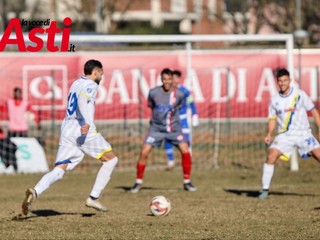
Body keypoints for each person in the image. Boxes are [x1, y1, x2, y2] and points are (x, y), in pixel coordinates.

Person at [22, 59, 118, 215]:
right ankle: (93, 197)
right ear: (95, 72)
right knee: (111, 160)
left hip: (67, 129)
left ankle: (35, 190)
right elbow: (81, 100)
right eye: (101, 72)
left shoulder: (76, 83)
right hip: (82, 130)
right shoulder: (91, 85)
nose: (102, 75)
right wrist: (86, 122)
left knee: (59, 170)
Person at [130, 68, 197, 193]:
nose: (167, 82)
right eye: (164, 79)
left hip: (174, 129)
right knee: (144, 152)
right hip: (156, 129)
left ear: (173, 80)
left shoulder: (180, 94)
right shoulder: (153, 93)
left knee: (186, 151)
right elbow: (151, 105)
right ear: (161, 79)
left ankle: (187, 182)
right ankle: (138, 182)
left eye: (169, 79)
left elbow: (181, 106)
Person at [258, 68, 320, 200]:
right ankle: (264, 190)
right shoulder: (274, 100)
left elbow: (313, 111)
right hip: (285, 135)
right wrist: (269, 133)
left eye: (285, 80)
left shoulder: (300, 94)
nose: (282, 83)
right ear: (277, 82)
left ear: (290, 80)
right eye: (280, 81)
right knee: (271, 155)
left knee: (318, 155)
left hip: (304, 134)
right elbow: (272, 119)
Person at [164, 70, 199, 170]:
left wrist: (195, 115)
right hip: (171, 120)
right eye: (172, 78)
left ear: (179, 79)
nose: (174, 80)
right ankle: (170, 161)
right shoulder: (167, 91)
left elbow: (191, 103)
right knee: (167, 139)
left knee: (185, 141)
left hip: (183, 119)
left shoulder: (185, 91)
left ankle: (187, 160)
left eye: (176, 78)